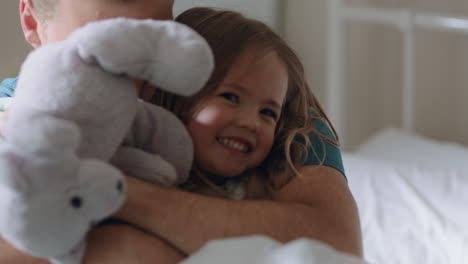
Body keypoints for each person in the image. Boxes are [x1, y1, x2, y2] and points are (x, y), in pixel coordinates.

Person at [0, 1, 362, 263]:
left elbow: (333, 246)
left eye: (158, 32)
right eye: (104, 44)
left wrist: (109, 191)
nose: (141, 78)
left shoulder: (247, 87)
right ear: (32, 22)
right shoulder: (10, 113)